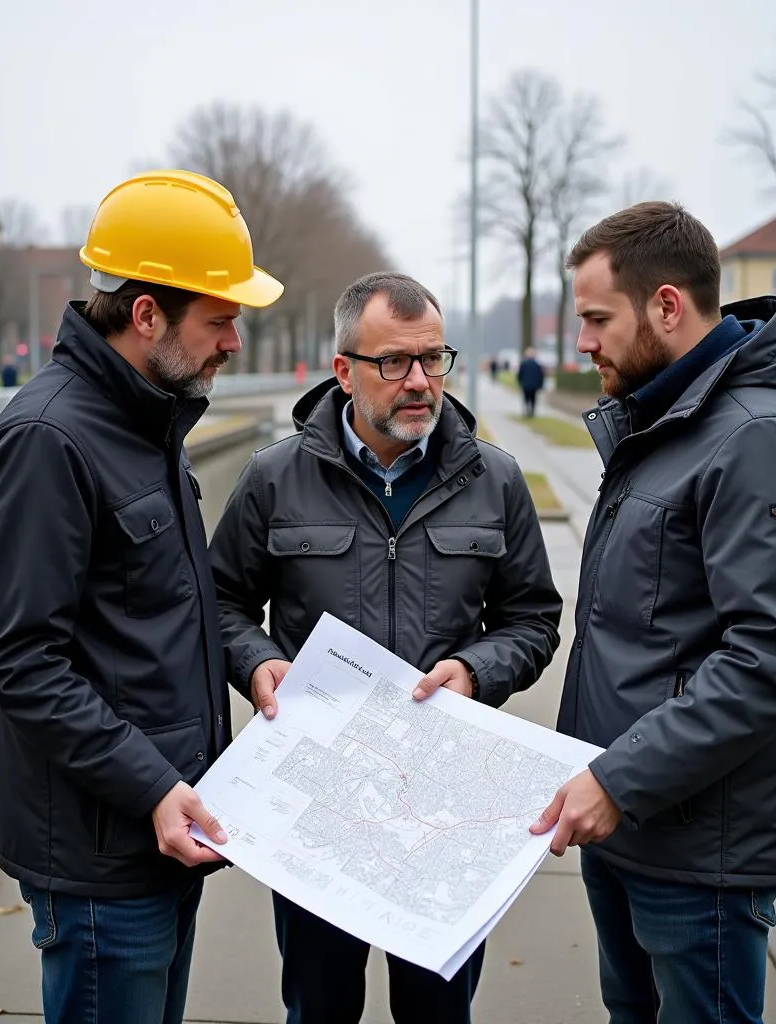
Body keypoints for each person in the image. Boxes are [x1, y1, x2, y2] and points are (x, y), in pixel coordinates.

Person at [0, 170, 284, 1024]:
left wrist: (249, 666)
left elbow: (164, 616)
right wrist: (151, 786)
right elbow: (21, 662)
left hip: (162, 837)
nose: (233, 343)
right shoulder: (48, 441)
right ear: (147, 314)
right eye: (219, 320)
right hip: (104, 857)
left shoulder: (150, 421)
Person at [209, 271, 563, 1024]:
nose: (419, 382)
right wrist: (256, 662)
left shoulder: (494, 481)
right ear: (344, 371)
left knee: (439, 1013)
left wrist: (474, 670)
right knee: (319, 1006)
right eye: (393, 362)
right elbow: (219, 602)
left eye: (433, 359)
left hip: (445, 808)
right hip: (320, 808)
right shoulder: (274, 478)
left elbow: (533, 619)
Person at [530, 201, 776, 1024]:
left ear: (667, 306)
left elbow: (775, 655)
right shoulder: (668, 422)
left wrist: (617, 778)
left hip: (695, 855)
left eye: (596, 318)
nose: (582, 340)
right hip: (626, 826)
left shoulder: (759, 437)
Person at [516, 347, 544, 417]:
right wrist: (540, 385)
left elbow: (520, 375)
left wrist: (520, 382)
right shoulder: (537, 365)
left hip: (526, 385)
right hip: (533, 385)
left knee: (526, 398)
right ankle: (531, 412)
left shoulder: (524, 364)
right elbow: (541, 376)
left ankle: (527, 411)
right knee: (532, 398)